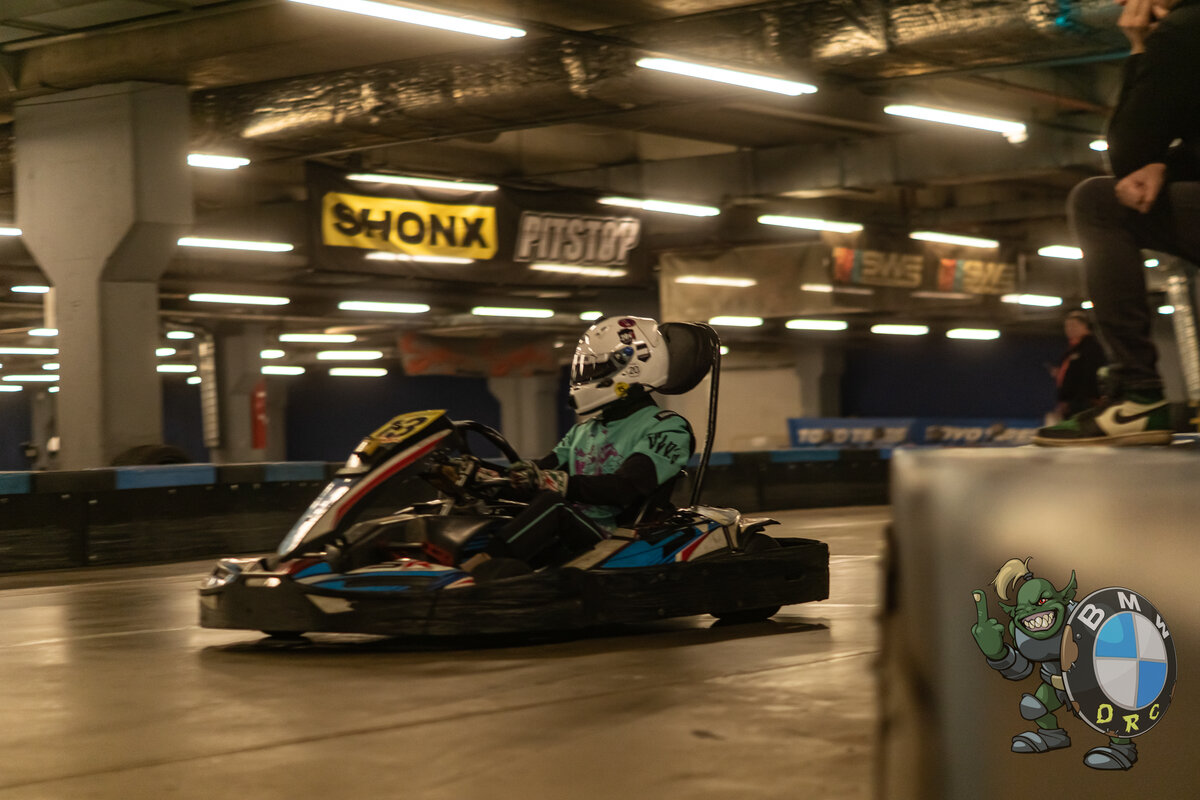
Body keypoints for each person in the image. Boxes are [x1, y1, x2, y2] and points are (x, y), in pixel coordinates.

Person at [1034, 0, 1200, 446]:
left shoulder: (1184, 29)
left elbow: (1127, 155)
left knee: (1097, 203)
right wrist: (1165, 164)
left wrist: (1140, 46)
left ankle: (1137, 394)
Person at [466, 316, 695, 576]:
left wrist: (555, 483)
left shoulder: (667, 427)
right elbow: (543, 472)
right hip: (573, 530)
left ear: (634, 367)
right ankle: (450, 563)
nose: (587, 378)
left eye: (596, 369)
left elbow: (626, 487)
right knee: (505, 509)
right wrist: (486, 477)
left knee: (553, 505)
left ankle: (473, 572)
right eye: (585, 369)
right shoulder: (584, 430)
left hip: (617, 539)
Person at [1052, 310, 1107, 419]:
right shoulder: (1071, 350)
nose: (1069, 329)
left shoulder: (1091, 347)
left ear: (1084, 326)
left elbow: (1089, 375)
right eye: (1067, 326)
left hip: (1084, 403)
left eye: (1073, 325)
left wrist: (1076, 400)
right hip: (1070, 403)